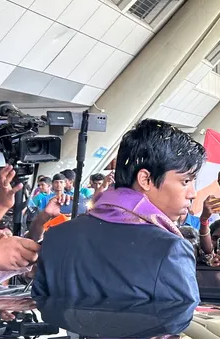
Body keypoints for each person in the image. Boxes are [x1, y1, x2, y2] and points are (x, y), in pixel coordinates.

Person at [33, 120, 205, 311]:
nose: (193, 193)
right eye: (186, 181)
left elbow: (42, 306)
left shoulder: (58, 236)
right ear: (146, 179)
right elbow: (179, 320)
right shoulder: (169, 249)